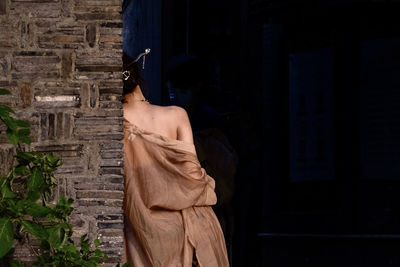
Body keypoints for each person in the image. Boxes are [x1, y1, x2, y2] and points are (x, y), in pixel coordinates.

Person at [121, 49, 229, 267]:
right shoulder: (176, 115)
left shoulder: (111, 124)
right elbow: (192, 177)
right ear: (138, 75)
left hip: (142, 233)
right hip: (189, 229)